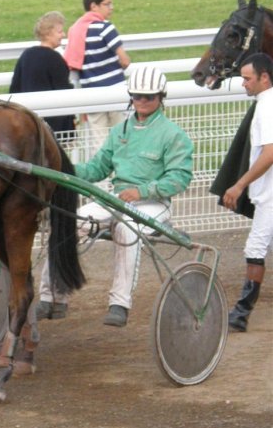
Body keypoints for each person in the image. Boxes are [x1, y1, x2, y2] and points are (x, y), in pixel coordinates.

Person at [36, 66, 193, 327]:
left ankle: (119, 303)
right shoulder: (119, 131)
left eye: (149, 97)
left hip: (154, 205)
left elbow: (179, 178)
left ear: (161, 97)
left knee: (126, 229)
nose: (142, 102)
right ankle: (51, 296)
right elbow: (96, 169)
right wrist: (63, 169)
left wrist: (142, 191)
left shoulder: (174, 135)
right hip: (116, 200)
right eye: (137, 96)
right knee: (70, 222)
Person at [218, 53, 273, 332]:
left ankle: (241, 313)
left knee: (255, 249)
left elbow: (270, 153)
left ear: (264, 77)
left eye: (247, 79)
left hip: (270, 197)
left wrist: (239, 184)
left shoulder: (267, 107)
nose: (243, 84)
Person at [63, 0, 131, 145]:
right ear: (94, 6)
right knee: (122, 139)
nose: (111, 8)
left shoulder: (75, 30)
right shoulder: (105, 28)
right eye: (107, 4)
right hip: (115, 91)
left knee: (99, 142)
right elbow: (125, 60)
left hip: (91, 94)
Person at [9, 11, 75, 132]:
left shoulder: (26, 55)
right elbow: (64, 94)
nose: (63, 35)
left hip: (26, 122)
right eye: (60, 32)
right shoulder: (55, 59)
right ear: (48, 34)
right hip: (51, 127)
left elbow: (14, 88)